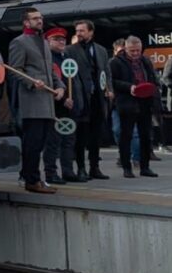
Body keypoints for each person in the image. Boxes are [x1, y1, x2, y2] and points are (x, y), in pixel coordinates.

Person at [9, 8, 65, 193]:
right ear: (26, 22)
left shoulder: (43, 42)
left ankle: (33, 177)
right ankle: (31, 180)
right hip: (32, 102)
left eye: (41, 17)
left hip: (47, 102)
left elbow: (51, 70)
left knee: (41, 143)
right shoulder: (19, 43)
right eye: (35, 18)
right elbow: (15, 70)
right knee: (32, 143)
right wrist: (32, 83)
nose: (40, 21)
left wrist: (60, 87)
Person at [66, 20, 112, 180]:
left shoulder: (101, 50)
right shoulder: (70, 50)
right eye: (77, 31)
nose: (79, 33)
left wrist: (109, 89)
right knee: (81, 135)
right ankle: (81, 168)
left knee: (96, 135)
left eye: (82, 31)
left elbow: (106, 71)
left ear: (91, 32)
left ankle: (95, 167)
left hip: (98, 98)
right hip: (81, 98)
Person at [110, 36, 159, 178]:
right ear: (125, 48)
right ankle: (127, 167)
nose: (136, 53)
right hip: (127, 103)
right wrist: (129, 87)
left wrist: (154, 87)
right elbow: (112, 81)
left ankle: (145, 167)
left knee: (145, 136)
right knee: (126, 136)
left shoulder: (145, 61)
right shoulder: (116, 62)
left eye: (138, 50)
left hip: (145, 102)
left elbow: (152, 77)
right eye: (132, 51)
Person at [44, 27, 88, 183]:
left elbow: (74, 83)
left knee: (69, 141)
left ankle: (68, 171)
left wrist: (77, 102)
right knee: (53, 141)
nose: (61, 41)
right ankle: (51, 173)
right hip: (56, 107)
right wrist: (64, 100)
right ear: (48, 41)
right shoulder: (47, 59)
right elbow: (52, 84)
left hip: (71, 108)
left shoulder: (66, 58)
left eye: (63, 39)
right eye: (56, 39)